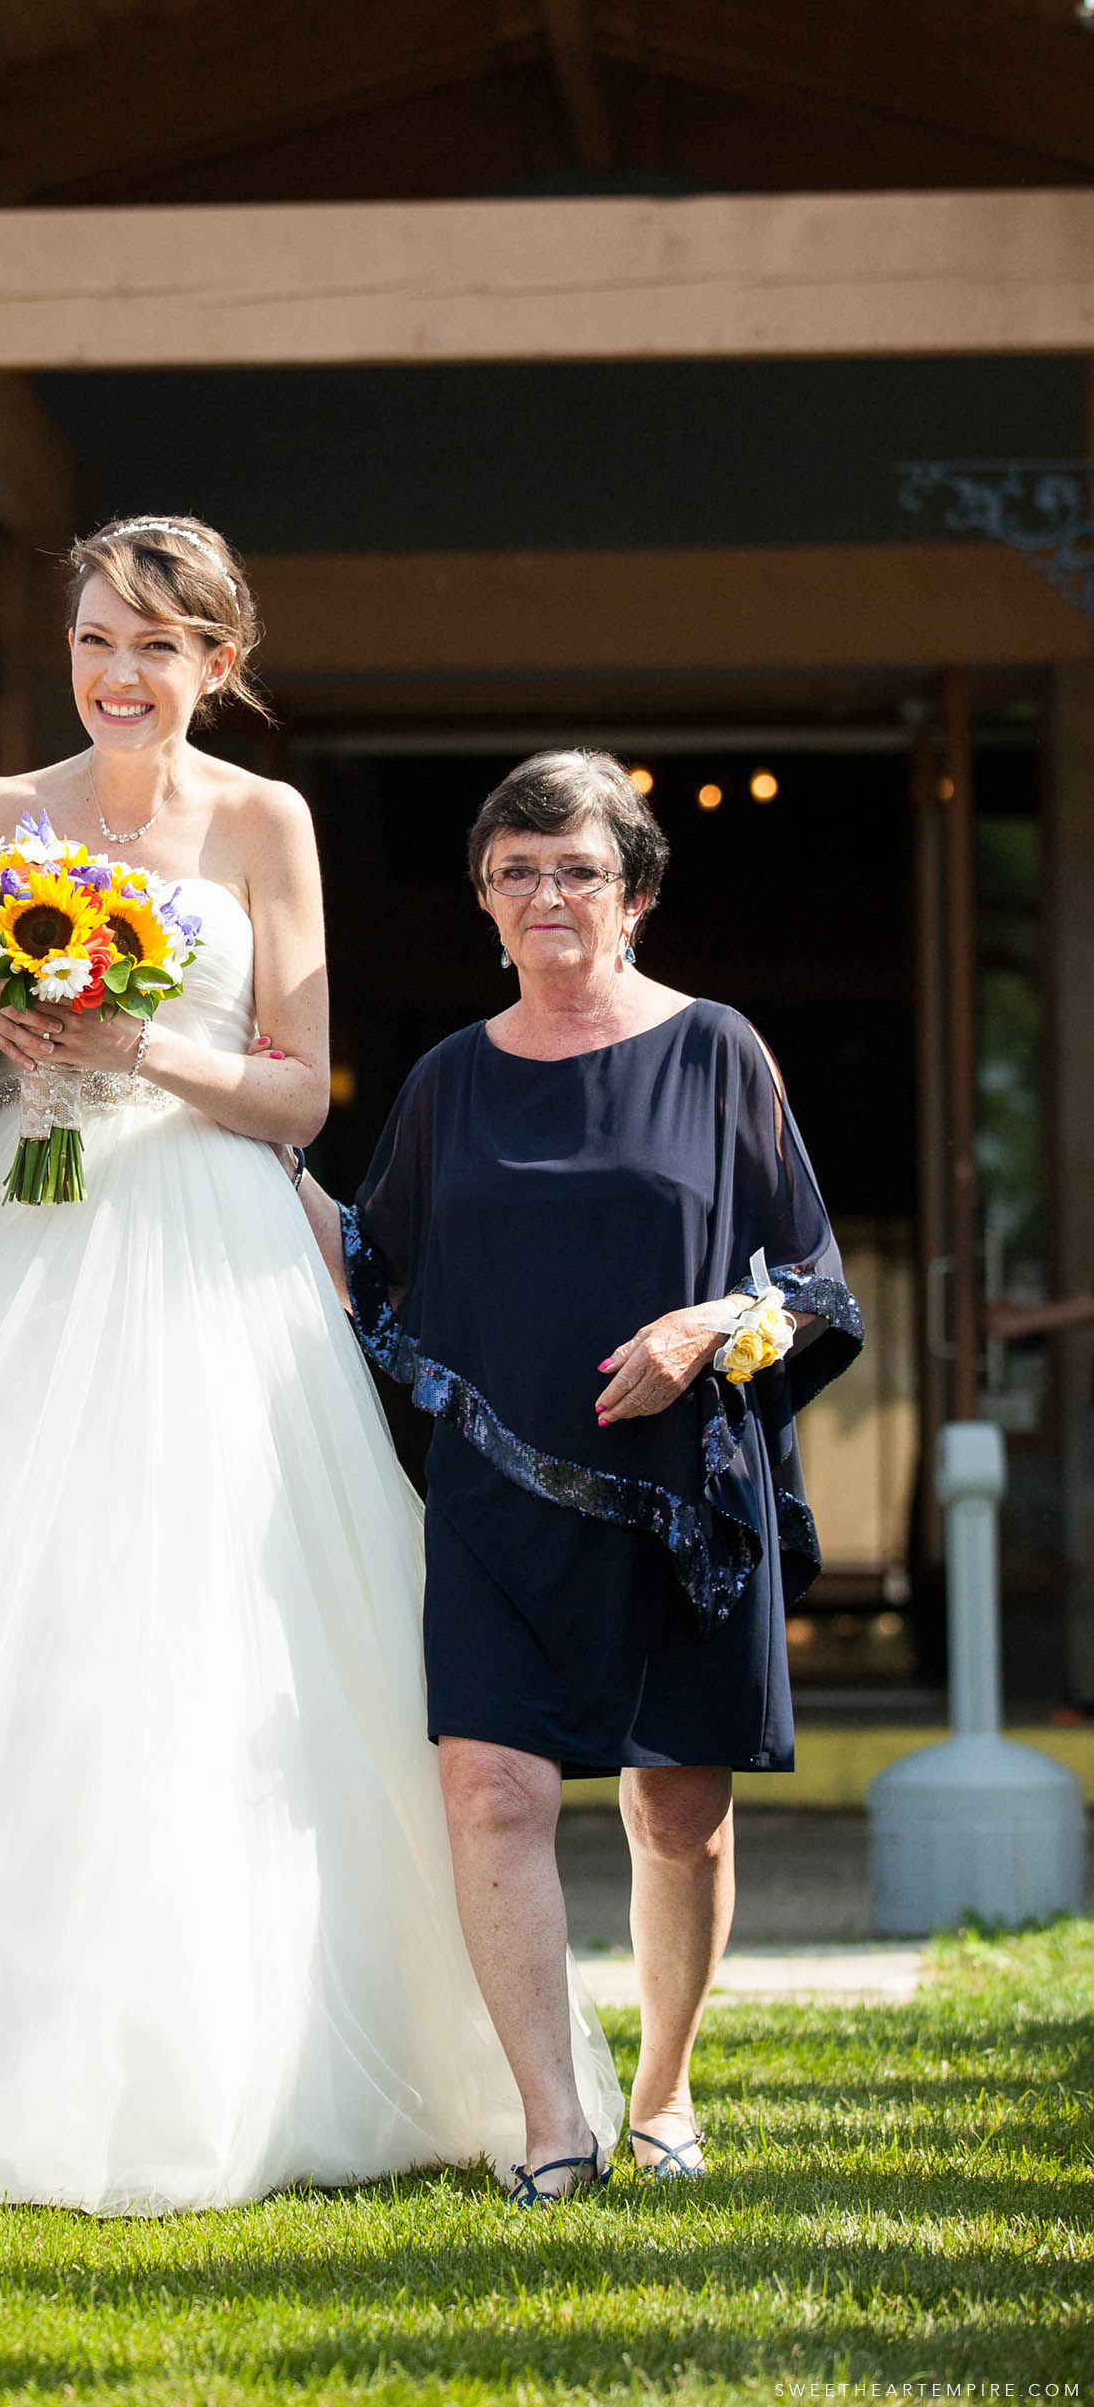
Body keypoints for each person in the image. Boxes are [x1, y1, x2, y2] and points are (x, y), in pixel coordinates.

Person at [0, 517, 621, 2211]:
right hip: (11, 1237)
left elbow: (300, 1090)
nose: (119, 677)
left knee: (222, 1631)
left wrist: (146, 1045)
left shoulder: (267, 823)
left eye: (156, 646)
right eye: (93, 643)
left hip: (204, 1239)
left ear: (219, 662)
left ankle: (255, 2049)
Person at [296, 749, 862, 2199]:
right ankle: (555, 2125)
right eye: (516, 872)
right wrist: (205, 1132)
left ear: (637, 894)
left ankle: (664, 2090)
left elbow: (810, 1280)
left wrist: (705, 1330)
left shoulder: (718, 1048)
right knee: (492, 1790)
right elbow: (371, 1267)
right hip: (493, 1497)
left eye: (578, 870)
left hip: (684, 1488)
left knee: (682, 1806)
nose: (546, 895)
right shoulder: (447, 1078)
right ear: (486, 903)